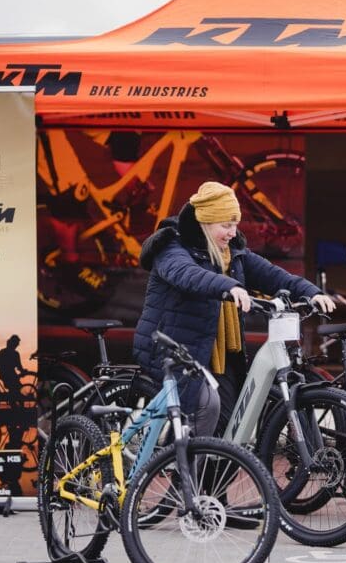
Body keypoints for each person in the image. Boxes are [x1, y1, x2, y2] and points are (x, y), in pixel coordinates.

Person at [133, 181, 334, 440]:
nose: (232, 232)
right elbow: (188, 274)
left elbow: (273, 275)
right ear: (206, 222)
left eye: (235, 225)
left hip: (214, 351)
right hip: (172, 346)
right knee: (207, 406)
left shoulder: (233, 254)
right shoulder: (171, 247)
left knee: (230, 423)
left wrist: (311, 292)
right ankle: (183, 464)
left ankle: (209, 466)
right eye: (226, 225)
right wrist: (229, 286)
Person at [0, 335, 26, 403]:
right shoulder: (15, 353)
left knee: (15, 388)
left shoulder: (3, 351)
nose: (17, 345)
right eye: (17, 343)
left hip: (6, 374)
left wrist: (22, 371)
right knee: (15, 388)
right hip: (7, 374)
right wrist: (22, 371)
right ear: (14, 343)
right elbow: (19, 366)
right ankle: (14, 403)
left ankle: (14, 403)